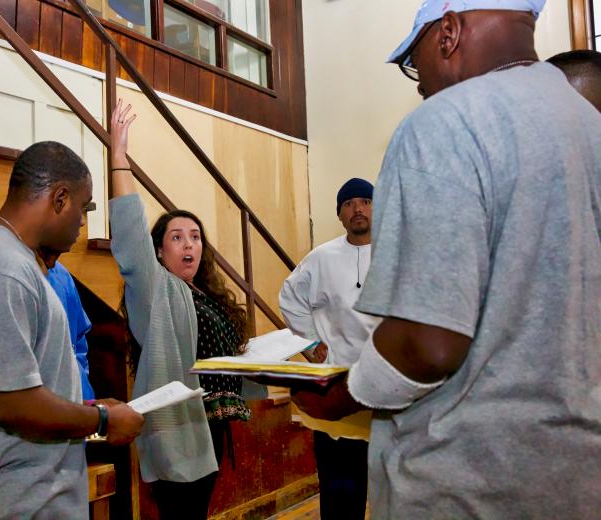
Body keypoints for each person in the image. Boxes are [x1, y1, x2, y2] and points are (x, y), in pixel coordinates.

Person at [291, 1, 601, 518]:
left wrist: (344, 394)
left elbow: (427, 344)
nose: (418, 84)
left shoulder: (444, 122)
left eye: (415, 63)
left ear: (449, 33)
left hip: (465, 482)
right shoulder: (588, 126)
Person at [0, 141, 144, 519]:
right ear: (60, 198)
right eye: (83, 207)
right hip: (2, 506)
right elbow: (0, 400)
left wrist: (84, 406)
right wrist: (102, 422)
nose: (82, 221)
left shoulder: (17, 261)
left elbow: (24, 381)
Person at [108, 100, 252, 520]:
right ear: (158, 250)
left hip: (212, 426)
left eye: (195, 236)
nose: (189, 244)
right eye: (176, 237)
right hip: (179, 429)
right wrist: (119, 157)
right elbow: (131, 238)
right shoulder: (157, 292)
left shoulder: (203, 295)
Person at [279, 178, 380, 519]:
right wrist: (310, 343)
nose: (358, 209)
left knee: (392, 492)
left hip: (388, 393)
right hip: (337, 392)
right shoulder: (321, 258)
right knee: (340, 493)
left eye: (365, 201)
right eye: (349, 204)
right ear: (340, 215)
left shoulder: (396, 254)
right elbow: (290, 298)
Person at [44, 254, 95, 400]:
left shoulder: (61, 274)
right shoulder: (15, 275)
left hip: (77, 398)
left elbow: (78, 340)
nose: (80, 229)